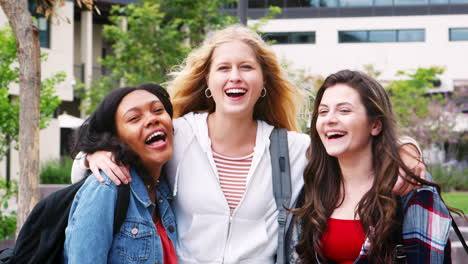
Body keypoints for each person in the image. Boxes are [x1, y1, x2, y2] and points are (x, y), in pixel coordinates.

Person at [71, 25, 425, 263]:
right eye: (223, 68)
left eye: (246, 68)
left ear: (263, 82)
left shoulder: (294, 149)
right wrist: (93, 154)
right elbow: (108, 140)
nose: (235, 76)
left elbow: (359, 142)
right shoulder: (177, 135)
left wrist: (408, 149)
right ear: (208, 81)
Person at [286, 70, 454, 263]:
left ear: (375, 125)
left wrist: (407, 149)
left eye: (344, 110)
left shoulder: (409, 184)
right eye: (323, 112)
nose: (330, 119)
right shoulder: (314, 184)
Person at [64, 84, 178, 264]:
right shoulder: (106, 188)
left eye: (158, 110)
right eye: (134, 118)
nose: (151, 119)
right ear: (115, 138)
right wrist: (88, 156)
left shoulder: (165, 187)